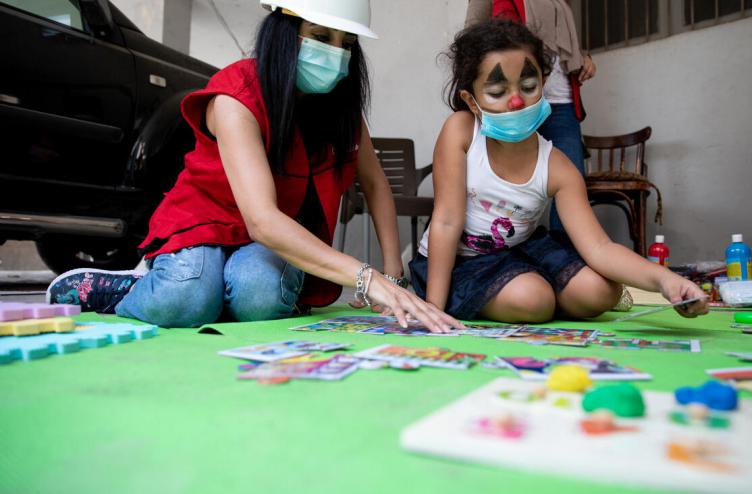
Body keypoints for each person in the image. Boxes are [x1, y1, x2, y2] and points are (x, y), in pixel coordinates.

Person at [46, 0, 461, 333]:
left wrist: (394, 273)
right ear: (282, 33)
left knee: (259, 296)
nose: (335, 53)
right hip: (205, 223)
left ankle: (211, 294)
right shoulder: (236, 96)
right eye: (319, 36)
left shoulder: (341, 109)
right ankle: (125, 289)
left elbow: (374, 183)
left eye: (346, 42)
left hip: (268, 243)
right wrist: (369, 279)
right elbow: (262, 219)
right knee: (187, 295)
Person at [408, 19, 707, 324]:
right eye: (497, 91)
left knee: (602, 292)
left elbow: (600, 247)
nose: (516, 102)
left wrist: (666, 281)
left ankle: (539, 296)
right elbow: (446, 221)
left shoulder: (558, 167)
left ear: (545, 81)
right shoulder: (461, 131)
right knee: (532, 299)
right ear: (471, 101)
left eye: (528, 87)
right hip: (457, 263)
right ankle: (534, 298)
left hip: (520, 252)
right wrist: (433, 307)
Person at [465, 0, 595, 232]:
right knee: (502, 185)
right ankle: (499, 254)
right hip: (511, 106)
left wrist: (582, 57)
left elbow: (560, 41)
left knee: (570, 185)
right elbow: (473, 38)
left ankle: (566, 261)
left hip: (560, 101)